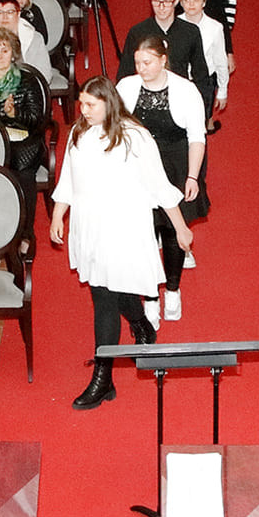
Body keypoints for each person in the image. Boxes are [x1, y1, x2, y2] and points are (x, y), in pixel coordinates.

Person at [52, 77, 196, 409]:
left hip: (123, 227)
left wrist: (180, 227)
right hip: (89, 227)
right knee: (109, 289)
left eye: (91, 105)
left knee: (104, 298)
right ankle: (141, 324)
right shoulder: (79, 133)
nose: (84, 111)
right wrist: (59, 214)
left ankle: (102, 378)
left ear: (109, 103)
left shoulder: (135, 137)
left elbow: (159, 186)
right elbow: (68, 178)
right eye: (81, 104)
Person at [117, 35, 209, 324]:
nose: (141, 68)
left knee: (172, 231)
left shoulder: (186, 90)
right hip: (138, 165)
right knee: (144, 233)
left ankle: (172, 289)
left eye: (147, 63)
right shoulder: (126, 87)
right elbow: (114, 129)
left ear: (163, 60)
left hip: (174, 163)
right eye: (137, 63)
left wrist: (192, 176)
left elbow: (197, 138)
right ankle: (150, 297)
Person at [0, 28, 50, 183]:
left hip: (22, 144)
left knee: (18, 169)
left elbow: (37, 121)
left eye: (5, 51)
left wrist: (14, 113)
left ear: (13, 54)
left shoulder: (28, 80)